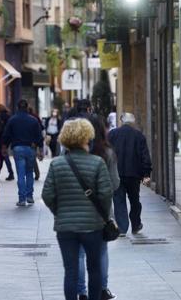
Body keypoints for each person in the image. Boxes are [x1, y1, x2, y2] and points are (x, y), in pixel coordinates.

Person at [42, 118, 113, 300]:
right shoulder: (97, 163)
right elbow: (106, 194)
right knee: (94, 268)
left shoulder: (56, 164)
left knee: (70, 271)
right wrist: (102, 216)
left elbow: (47, 195)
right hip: (93, 226)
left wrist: (60, 212)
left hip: (65, 227)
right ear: (86, 137)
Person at [77, 118, 119, 300]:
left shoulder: (73, 153)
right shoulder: (107, 152)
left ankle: (82, 292)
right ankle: (102, 289)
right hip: (102, 212)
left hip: (77, 211)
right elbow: (115, 183)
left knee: (79, 254)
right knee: (101, 252)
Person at [108, 112, 152, 235]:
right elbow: (145, 156)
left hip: (117, 174)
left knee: (119, 200)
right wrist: (146, 173)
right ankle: (136, 224)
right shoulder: (139, 136)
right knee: (134, 200)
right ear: (133, 121)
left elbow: (107, 154)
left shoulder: (112, 134)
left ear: (121, 121)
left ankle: (122, 228)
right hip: (134, 175)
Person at [2, 99, 44, 206]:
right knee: (29, 173)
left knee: (20, 174)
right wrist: (41, 150)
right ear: (27, 107)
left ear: (17, 107)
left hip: (17, 149)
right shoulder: (33, 120)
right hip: (30, 149)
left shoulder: (12, 120)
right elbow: (39, 136)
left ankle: (22, 198)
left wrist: (4, 147)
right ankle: (30, 196)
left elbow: (6, 135)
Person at [0, 104, 15, 180]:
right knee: (3, 155)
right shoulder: (9, 116)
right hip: (7, 139)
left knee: (3, 155)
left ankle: (8, 173)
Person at [28, 106, 45, 180]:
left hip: (29, 141)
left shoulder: (29, 118)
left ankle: (33, 173)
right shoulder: (35, 117)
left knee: (31, 158)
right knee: (33, 158)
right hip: (34, 141)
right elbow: (41, 127)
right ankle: (36, 173)